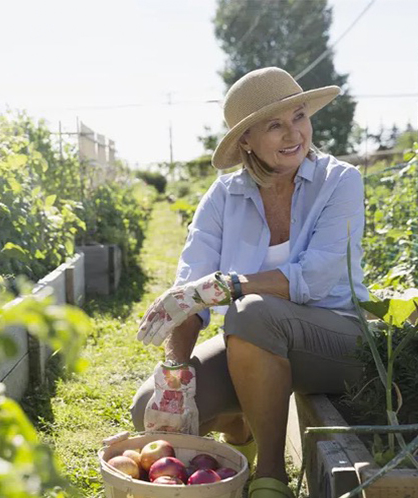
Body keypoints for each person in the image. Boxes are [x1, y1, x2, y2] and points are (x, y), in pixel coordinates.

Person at [130, 67, 369, 498]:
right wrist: (174, 374)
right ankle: (241, 436)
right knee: (148, 407)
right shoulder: (224, 197)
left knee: (251, 311)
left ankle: (271, 477)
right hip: (256, 344)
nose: (293, 133)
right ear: (246, 141)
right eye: (274, 125)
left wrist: (231, 285)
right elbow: (190, 289)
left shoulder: (340, 182)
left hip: (337, 340)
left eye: (299, 116)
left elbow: (317, 276)